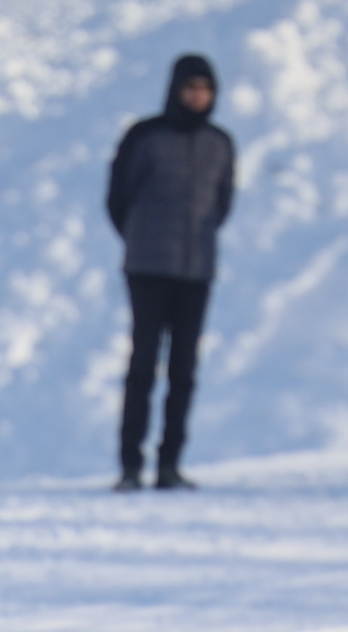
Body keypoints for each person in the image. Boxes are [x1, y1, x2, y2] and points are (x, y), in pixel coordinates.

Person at [105, 54, 236, 491]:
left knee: (184, 370)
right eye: (191, 88)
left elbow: (221, 205)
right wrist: (141, 236)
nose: (198, 96)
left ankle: (169, 464)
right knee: (143, 366)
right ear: (175, 89)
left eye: (206, 89)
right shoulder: (145, 136)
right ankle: (129, 465)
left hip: (196, 269)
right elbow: (118, 197)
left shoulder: (220, 143)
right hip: (147, 266)